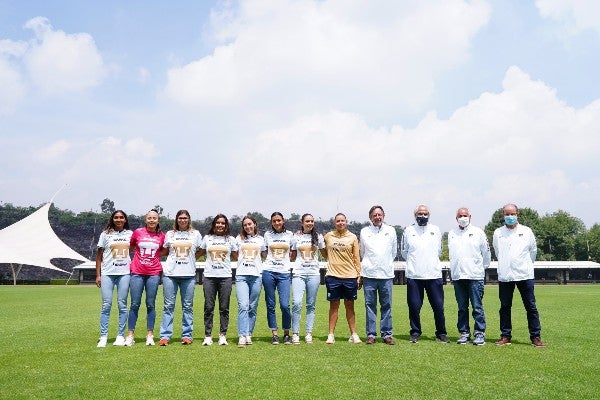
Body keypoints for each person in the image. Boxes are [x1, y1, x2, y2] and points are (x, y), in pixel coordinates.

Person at [492, 203, 545, 347]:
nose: (510, 216)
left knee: (531, 307)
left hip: (525, 275)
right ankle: (505, 335)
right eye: (507, 214)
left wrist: (525, 264)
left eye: (512, 214)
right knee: (505, 307)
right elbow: (497, 252)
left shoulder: (527, 231)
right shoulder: (498, 232)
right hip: (505, 276)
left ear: (517, 214)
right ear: (503, 215)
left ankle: (535, 337)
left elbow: (533, 251)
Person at [401, 204, 448, 343]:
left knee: (438, 306)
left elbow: (439, 250)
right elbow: (404, 252)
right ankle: (415, 332)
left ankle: (441, 333)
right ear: (415, 215)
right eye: (420, 213)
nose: (423, 215)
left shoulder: (436, 230)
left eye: (425, 213)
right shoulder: (408, 231)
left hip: (434, 275)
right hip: (414, 276)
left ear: (429, 215)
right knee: (414, 306)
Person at [447, 207, 491, 346]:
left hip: (475, 276)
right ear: (456, 218)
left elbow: (486, 254)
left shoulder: (478, 232)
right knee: (462, 308)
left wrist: (480, 268)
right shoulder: (451, 233)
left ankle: (479, 333)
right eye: (460, 215)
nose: (463, 217)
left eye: (465, 215)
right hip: (458, 276)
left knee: (477, 307)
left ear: (470, 216)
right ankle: (464, 333)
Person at [158, 210, 202, 346]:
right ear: (176, 220)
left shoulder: (196, 234)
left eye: (185, 218)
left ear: (189, 220)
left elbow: (200, 250)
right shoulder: (170, 234)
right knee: (168, 306)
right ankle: (165, 336)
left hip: (188, 275)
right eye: (180, 218)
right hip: (170, 275)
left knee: (187, 306)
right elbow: (165, 251)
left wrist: (190, 259)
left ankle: (187, 335)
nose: (183, 220)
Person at [125, 209, 165, 346]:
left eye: (154, 218)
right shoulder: (138, 232)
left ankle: (150, 334)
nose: (152, 220)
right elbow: (131, 247)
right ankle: (130, 334)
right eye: (149, 218)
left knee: (150, 304)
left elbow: (164, 251)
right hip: (137, 272)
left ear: (158, 220)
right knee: (135, 304)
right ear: (145, 219)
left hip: (153, 273)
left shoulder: (161, 235)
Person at [359, 205, 398, 345]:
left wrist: (384, 263)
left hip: (386, 274)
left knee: (386, 305)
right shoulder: (364, 231)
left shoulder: (391, 231)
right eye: (374, 215)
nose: (377, 217)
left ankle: (387, 334)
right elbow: (362, 252)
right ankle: (371, 334)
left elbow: (393, 252)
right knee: (370, 305)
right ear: (370, 217)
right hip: (369, 274)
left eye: (379, 214)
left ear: (383, 216)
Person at [323, 213, 362, 344]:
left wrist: (359, 275)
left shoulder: (352, 237)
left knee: (349, 305)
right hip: (332, 276)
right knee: (334, 305)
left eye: (342, 221)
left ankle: (353, 334)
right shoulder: (328, 236)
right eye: (338, 221)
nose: (340, 223)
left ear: (346, 222)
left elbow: (357, 258)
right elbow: (322, 250)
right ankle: (331, 334)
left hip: (350, 276)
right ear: (335, 223)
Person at [95, 210, 133, 347]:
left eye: (121, 217)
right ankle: (103, 336)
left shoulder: (130, 234)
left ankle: (120, 336)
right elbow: (99, 256)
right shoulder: (105, 234)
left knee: (122, 305)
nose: (119, 219)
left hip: (124, 273)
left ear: (125, 220)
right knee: (106, 305)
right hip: (108, 273)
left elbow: (135, 249)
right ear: (112, 219)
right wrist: (98, 275)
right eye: (116, 217)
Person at [200, 214, 238, 346]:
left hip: (225, 277)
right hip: (209, 277)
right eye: (217, 223)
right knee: (209, 307)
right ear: (214, 224)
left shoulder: (231, 240)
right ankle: (208, 335)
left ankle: (223, 335)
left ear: (226, 225)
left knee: (224, 308)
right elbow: (198, 253)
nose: (220, 225)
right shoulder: (207, 238)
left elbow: (236, 256)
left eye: (222, 223)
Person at [261, 212, 296, 345]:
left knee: (285, 305)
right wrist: (271, 260)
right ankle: (274, 334)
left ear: (283, 221)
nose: (277, 223)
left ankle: (286, 333)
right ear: (271, 222)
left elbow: (293, 253)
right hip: (269, 272)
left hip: (284, 273)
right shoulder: (267, 235)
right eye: (274, 221)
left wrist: (284, 262)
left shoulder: (290, 235)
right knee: (270, 304)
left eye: (279, 220)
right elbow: (264, 252)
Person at [291, 213, 326, 344]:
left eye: (312, 221)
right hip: (298, 273)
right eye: (307, 221)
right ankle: (295, 333)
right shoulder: (296, 236)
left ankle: (308, 333)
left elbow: (324, 253)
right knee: (296, 303)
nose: (310, 223)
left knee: (311, 305)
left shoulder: (318, 237)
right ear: (302, 222)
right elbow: (292, 256)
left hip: (313, 274)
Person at [235, 215, 265, 347]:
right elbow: (235, 254)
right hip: (241, 275)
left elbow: (264, 255)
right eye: (245, 225)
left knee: (252, 307)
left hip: (256, 276)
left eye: (250, 224)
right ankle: (242, 335)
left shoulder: (261, 240)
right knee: (243, 305)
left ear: (255, 224)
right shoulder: (238, 239)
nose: (248, 227)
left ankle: (248, 334)